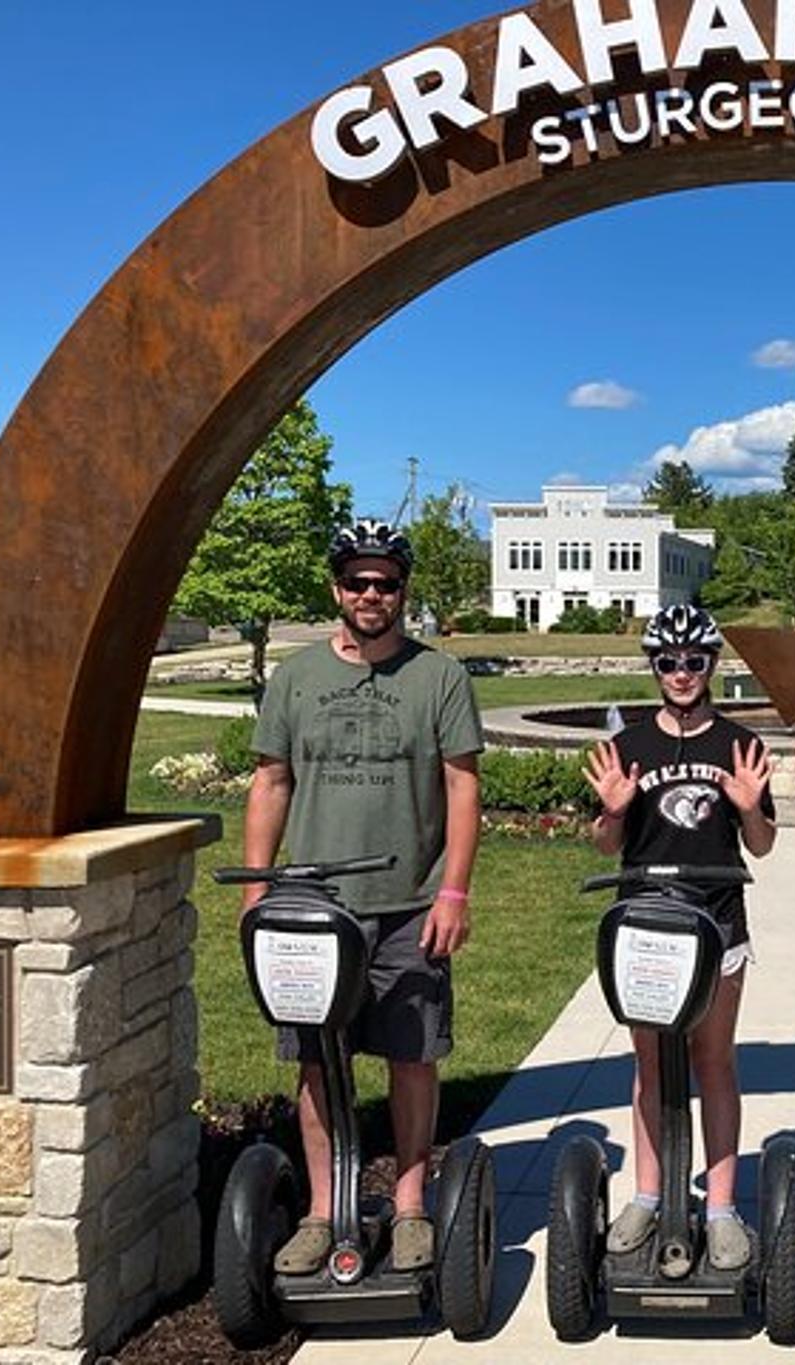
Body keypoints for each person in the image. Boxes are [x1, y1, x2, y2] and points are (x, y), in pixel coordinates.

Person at [243, 518, 484, 1276]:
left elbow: (461, 783)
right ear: (336, 587)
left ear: (402, 590)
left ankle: (410, 1203)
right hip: (315, 909)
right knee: (318, 1061)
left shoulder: (437, 676)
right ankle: (323, 1209)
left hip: (410, 903)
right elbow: (271, 781)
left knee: (412, 1056)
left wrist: (453, 888)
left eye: (384, 582)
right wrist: (257, 887)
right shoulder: (297, 678)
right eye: (357, 581)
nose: (371, 593)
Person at [583, 603, 778, 1270]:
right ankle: (647, 1191)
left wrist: (751, 808)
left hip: (718, 921)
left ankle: (720, 1207)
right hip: (646, 924)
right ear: (655, 667)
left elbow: (763, 844)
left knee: (713, 1059)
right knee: (648, 1065)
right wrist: (611, 811)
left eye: (695, 660)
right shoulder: (628, 744)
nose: (682, 672)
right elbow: (607, 841)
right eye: (668, 661)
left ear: (712, 666)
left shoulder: (737, 743)